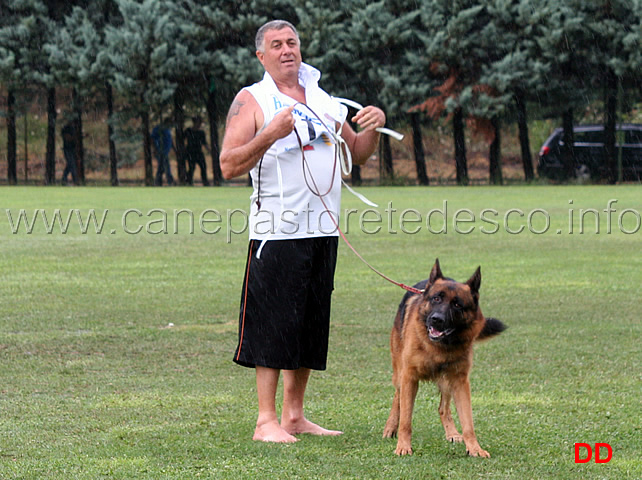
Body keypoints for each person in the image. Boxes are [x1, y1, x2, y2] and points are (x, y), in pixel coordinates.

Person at [220, 20, 385, 444]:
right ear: (262, 56)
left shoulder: (323, 97)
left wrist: (374, 127)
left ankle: (294, 415)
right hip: (277, 232)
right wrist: (270, 133)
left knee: (310, 323)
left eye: (291, 42)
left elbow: (358, 154)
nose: (286, 50)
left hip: (324, 229)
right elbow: (228, 164)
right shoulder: (252, 99)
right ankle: (264, 421)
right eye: (275, 45)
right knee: (274, 323)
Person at [185, 116, 210, 186]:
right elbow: (181, 140)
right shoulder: (188, 131)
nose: (200, 124)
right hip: (190, 152)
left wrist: (209, 150)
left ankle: (205, 182)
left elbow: (204, 143)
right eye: (199, 122)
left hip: (198, 152)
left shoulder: (201, 133)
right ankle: (188, 181)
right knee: (192, 168)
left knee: (203, 167)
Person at [151, 119, 175, 186]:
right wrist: (155, 149)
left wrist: (174, 149)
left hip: (165, 152)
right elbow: (152, 139)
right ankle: (170, 181)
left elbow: (170, 140)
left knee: (161, 168)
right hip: (160, 151)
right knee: (166, 166)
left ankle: (158, 182)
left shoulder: (168, 130)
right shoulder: (159, 129)